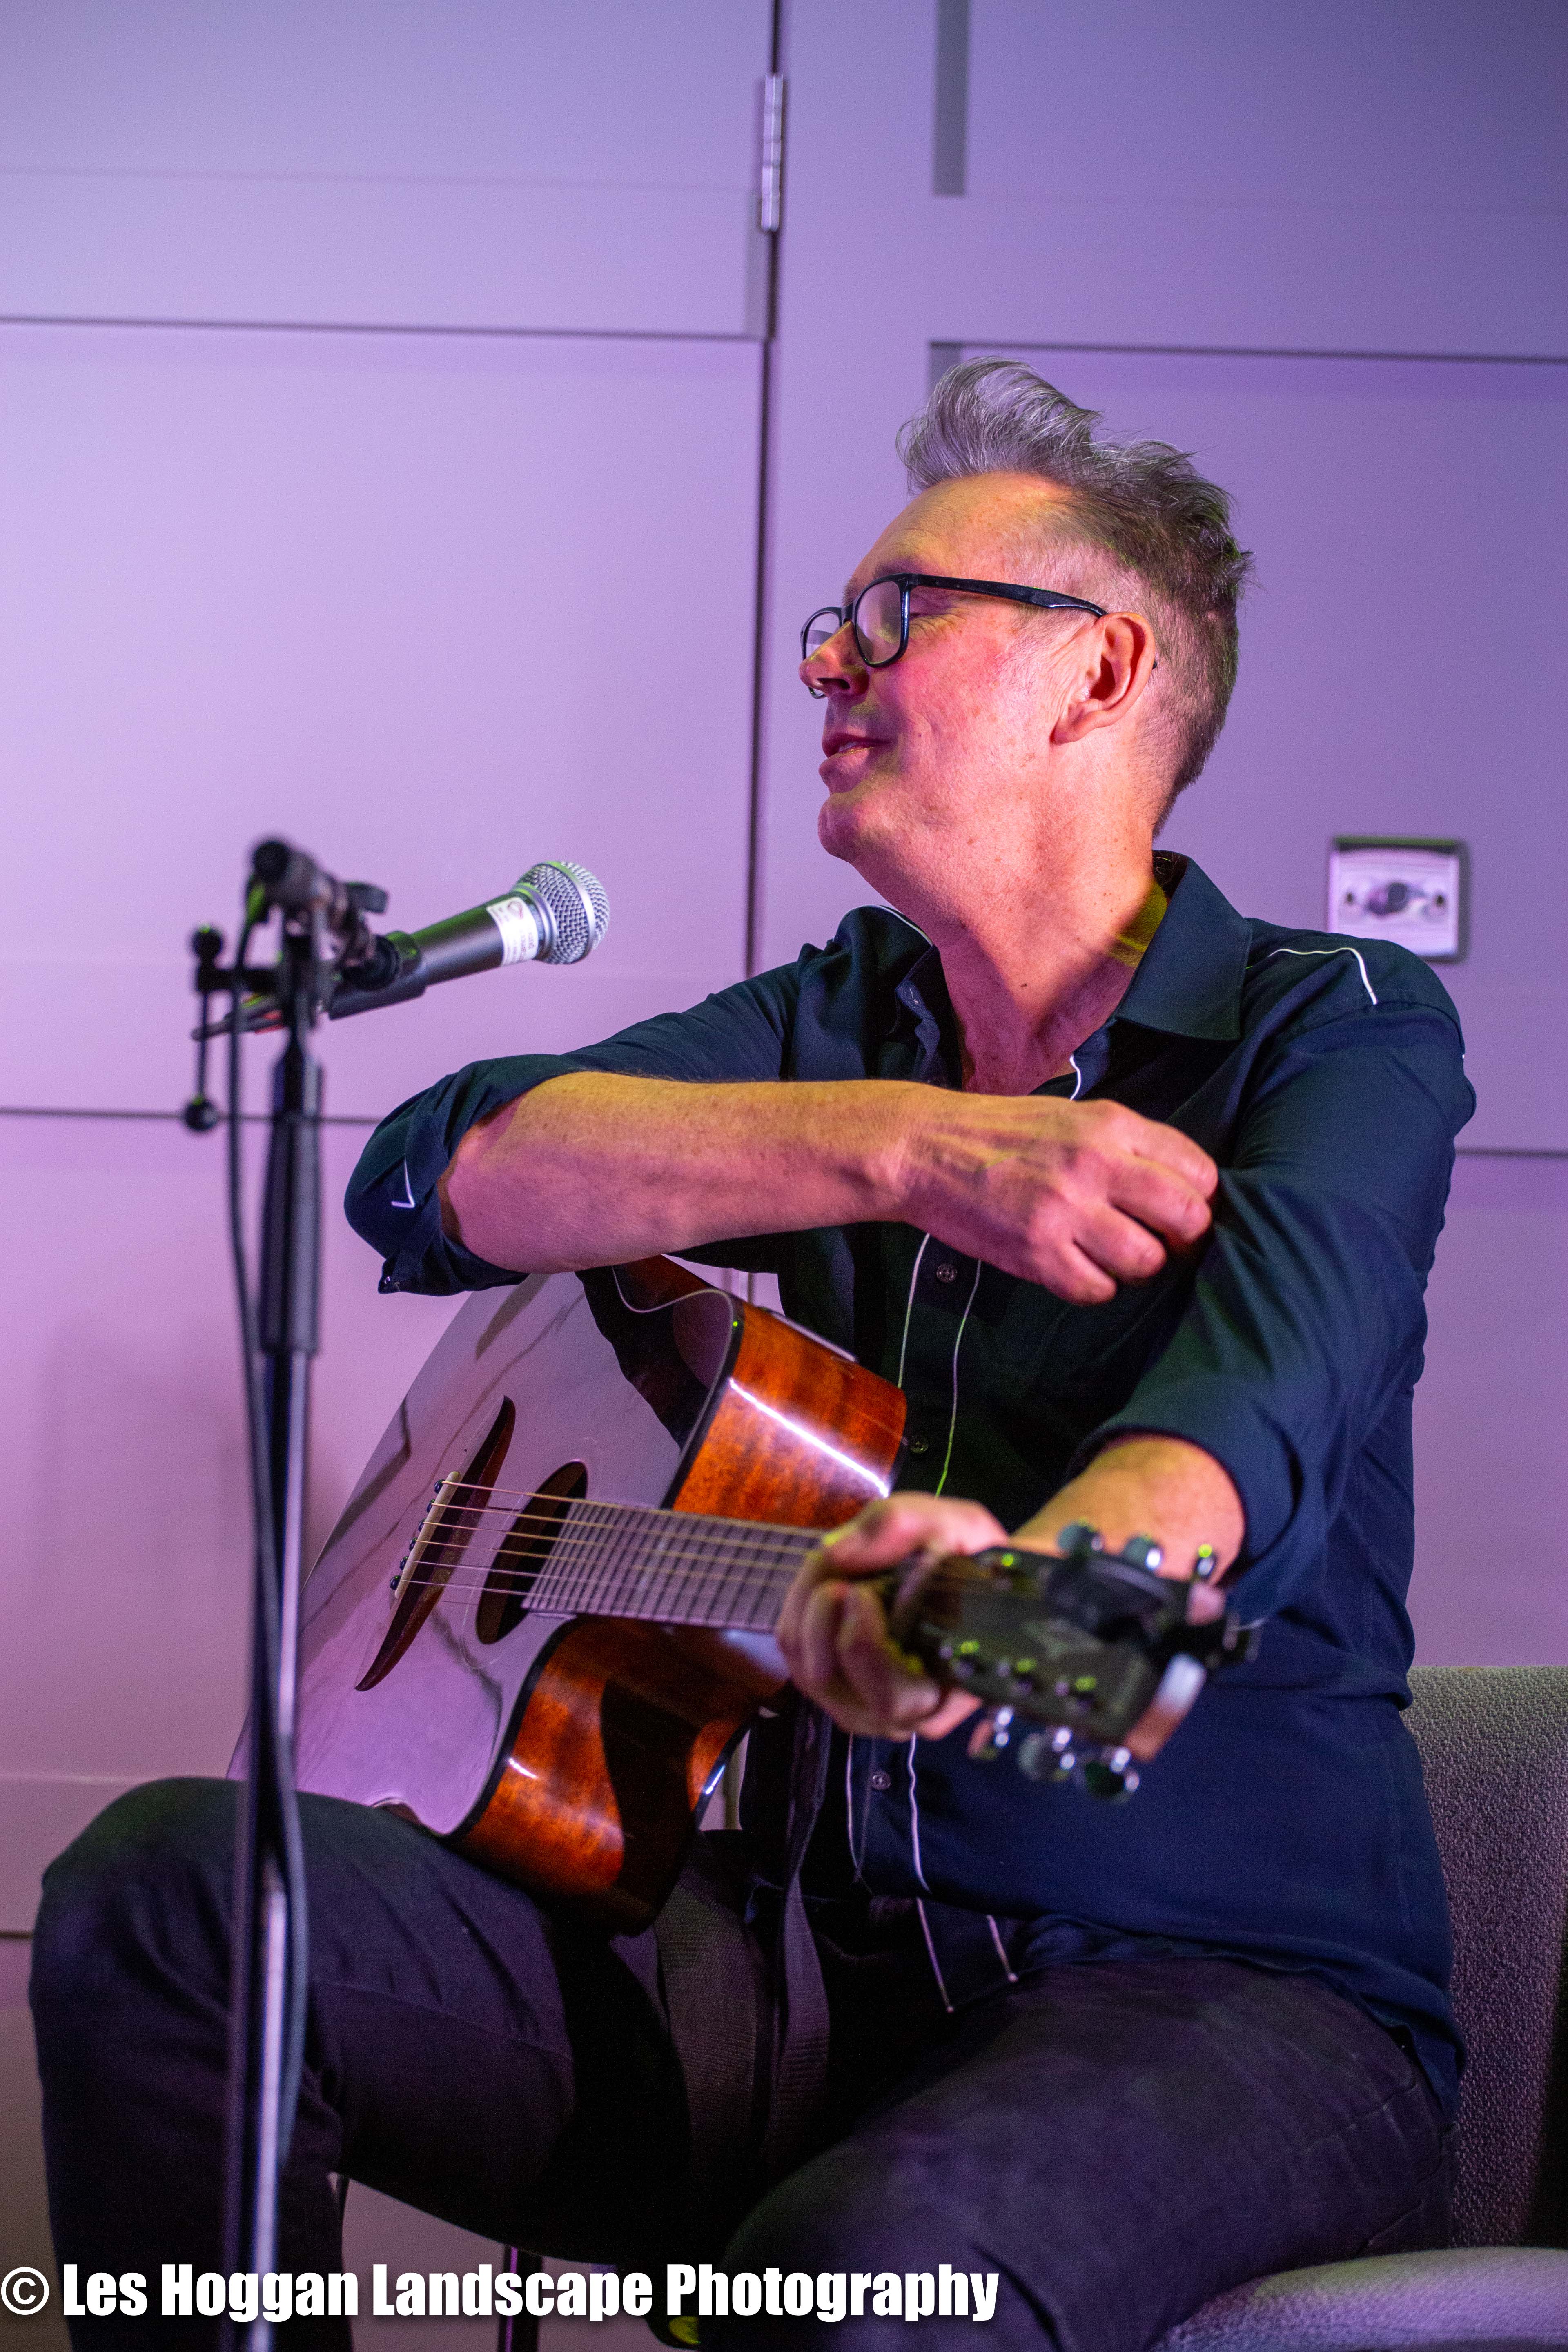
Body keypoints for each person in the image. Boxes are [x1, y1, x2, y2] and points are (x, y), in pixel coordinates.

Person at [31, 361, 1472, 2350]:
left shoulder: (1338, 1027)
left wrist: (1072, 1580)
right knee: (184, 1896)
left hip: (1221, 1995)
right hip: (798, 1976)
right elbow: (436, 1175)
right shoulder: (851, 1020)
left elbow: (1260, 1400)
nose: (826, 664)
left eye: (896, 615)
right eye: (831, 623)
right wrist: (908, 1145)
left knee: (864, 2277)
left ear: (1098, 669)